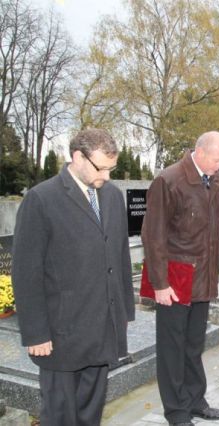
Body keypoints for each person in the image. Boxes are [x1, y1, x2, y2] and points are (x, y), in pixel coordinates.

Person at [11, 129, 135, 425]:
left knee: (90, 413)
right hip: (61, 333)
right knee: (60, 415)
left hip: (102, 328)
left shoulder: (113, 197)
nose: (105, 175)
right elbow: (26, 271)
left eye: (110, 168)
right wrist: (36, 332)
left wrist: (125, 311)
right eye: (100, 167)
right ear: (78, 156)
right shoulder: (42, 199)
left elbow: (119, 256)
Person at [142, 131, 219, 425]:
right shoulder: (169, 180)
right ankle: (176, 411)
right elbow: (152, 236)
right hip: (175, 279)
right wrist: (160, 284)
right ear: (201, 152)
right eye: (218, 160)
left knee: (194, 345)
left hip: (203, 278)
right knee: (172, 349)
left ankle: (195, 400)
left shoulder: (215, 179)